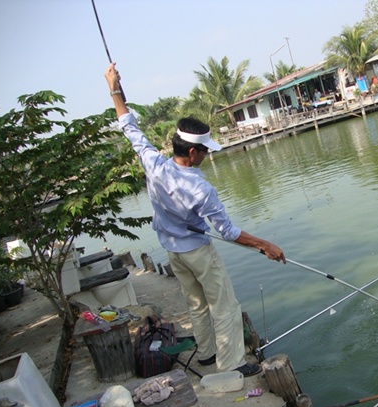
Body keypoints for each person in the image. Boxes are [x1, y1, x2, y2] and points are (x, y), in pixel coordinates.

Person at [104, 63, 286, 377]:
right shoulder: (201, 188)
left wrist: (114, 89)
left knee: (197, 304)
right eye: (204, 151)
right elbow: (227, 232)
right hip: (198, 253)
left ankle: (206, 354)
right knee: (224, 305)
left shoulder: (155, 165)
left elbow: (129, 127)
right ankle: (231, 363)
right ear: (191, 151)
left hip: (173, 252)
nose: (207, 155)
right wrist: (265, 244)